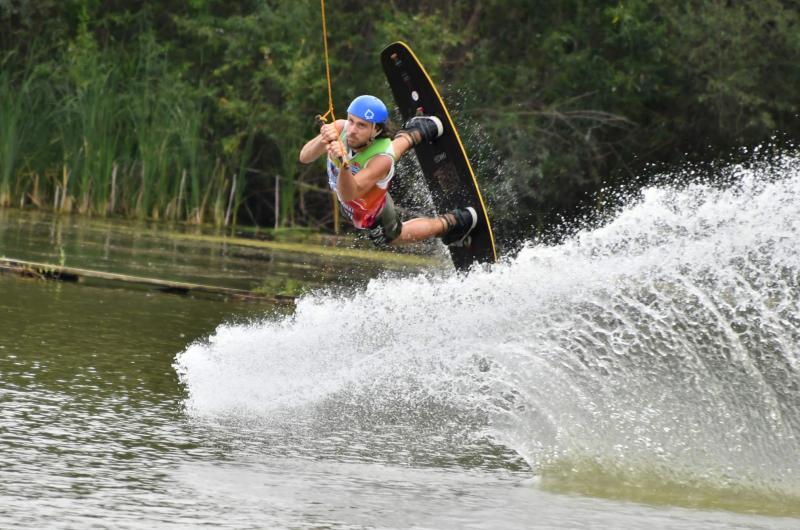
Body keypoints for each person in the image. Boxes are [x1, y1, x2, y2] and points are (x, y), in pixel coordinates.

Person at [298, 94, 478, 248]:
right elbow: (305, 157)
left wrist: (343, 164)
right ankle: (420, 131)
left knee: (394, 236)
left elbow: (349, 194)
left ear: (376, 130)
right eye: (351, 121)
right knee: (391, 150)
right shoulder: (340, 128)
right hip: (353, 197)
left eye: (361, 125)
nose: (351, 130)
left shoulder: (381, 159)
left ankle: (453, 222)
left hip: (372, 208)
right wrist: (323, 139)